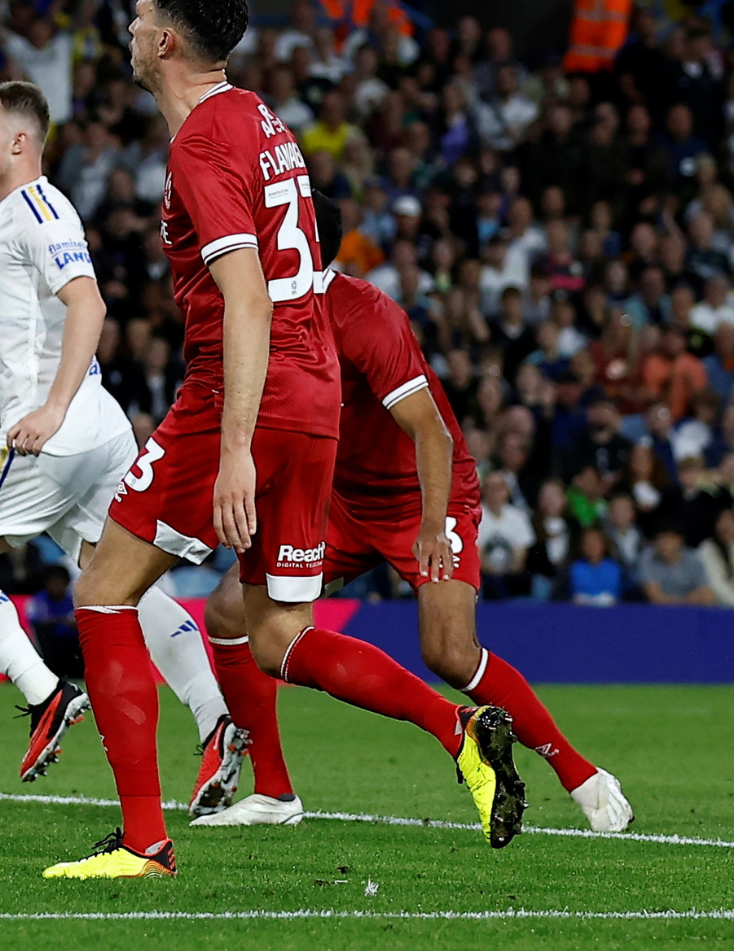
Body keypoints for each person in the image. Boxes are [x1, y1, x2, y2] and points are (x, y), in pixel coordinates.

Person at [43, 0, 517, 878]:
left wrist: (230, 454)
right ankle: (456, 726)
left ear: (168, 40)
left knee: (103, 591)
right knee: (275, 635)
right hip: (313, 401)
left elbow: (247, 298)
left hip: (241, 394)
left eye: (140, 18)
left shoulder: (202, 148)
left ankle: (143, 840)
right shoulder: (262, 120)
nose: (130, 32)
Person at [0, 77, 239, 824]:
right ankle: (216, 717)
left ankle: (46, 689)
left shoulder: (41, 213)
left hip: (50, 432)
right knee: (118, 582)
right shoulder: (18, 214)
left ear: (19, 143)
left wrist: (49, 409)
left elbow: (88, 301)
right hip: (100, 430)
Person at [198, 271, 632, 835]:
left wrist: (431, 525)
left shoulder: (364, 314)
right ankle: (274, 791)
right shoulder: (262, 307)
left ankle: (582, 777)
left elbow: (433, 432)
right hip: (341, 501)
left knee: (450, 652)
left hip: (424, 497)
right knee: (230, 610)